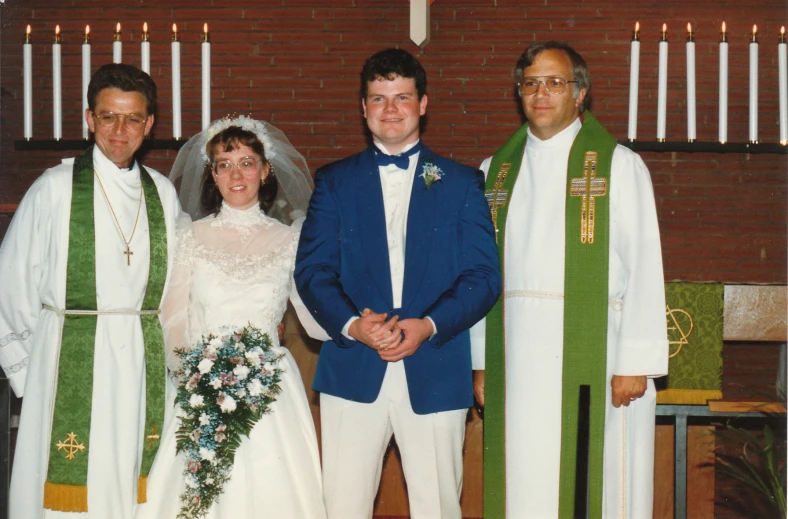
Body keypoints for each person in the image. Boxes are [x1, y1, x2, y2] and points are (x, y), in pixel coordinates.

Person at [295, 48, 501, 519]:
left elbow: (484, 276)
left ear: (423, 104)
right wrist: (352, 324)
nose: (391, 110)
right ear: (363, 108)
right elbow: (312, 270)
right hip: (353, 367)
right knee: (342, 506)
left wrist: (428, 325)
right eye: (378, 98)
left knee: (439, 506)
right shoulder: (333, 181)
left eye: (402, 97)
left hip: (434, 365)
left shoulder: (462, 181)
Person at [471, 41, 669, 518]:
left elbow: (645, 264)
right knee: (523, 479)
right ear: (518, 93)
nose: (541, 93)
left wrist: (635, 362)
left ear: (579, 94)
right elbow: (480, 277)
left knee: (592, 483)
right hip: (515, 358)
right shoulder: (493, 173)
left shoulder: (619, 166)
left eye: (555, 82)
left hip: (597, 356)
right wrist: (480, 361)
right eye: (531, 83)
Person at [0, 63, 182, 518]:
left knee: (129, 478)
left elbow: (180, 286)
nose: (120, 130)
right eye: (108, 117)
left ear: (150, 125)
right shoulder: (54, 188)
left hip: (141, 362)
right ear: (89, 119)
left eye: (133, 118)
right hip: (66, 360)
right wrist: (30, 373)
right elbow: (12, 282)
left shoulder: (162, 193)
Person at [134, 116, 328, 519]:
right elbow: (172, 319)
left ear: (265, 169)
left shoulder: (292, 238)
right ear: (212, 174)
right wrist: (194, 378)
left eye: (246, 162)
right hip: (199, 382)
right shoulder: (190, 235)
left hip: (270, 388)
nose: (236, 174)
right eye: (224, 163)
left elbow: (316, 315)